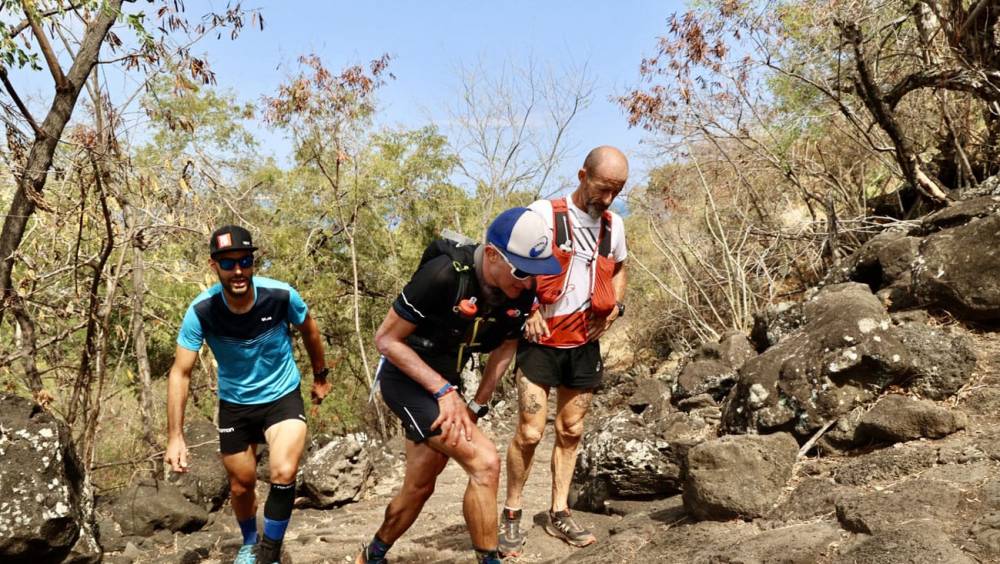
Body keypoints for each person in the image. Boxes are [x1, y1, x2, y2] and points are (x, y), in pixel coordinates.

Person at [356, 208, 561, 564]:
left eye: (537, 275)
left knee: (420, 485)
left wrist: (477, 404)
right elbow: (386, 340)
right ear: (494, 255)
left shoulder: (520, 292)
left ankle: (371, 555)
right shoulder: (443, 276)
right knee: (485, 462)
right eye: (523, 273)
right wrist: (444, 392)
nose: (529, 284)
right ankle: (489, 560)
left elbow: (507, 345)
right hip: (406, 378)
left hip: (445, 384)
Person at [165, 225, 331, 564]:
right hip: (235, 406)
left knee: (283, 471)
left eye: (244, 261)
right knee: (241, 486)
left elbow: (310, 330)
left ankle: (268, 553)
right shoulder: (201, 311)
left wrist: (320, 375)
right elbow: (180, 373)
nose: (238, 270)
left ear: (253, 262)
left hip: (281, 397)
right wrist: (175, 436)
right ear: (215, 267)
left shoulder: (281, 295)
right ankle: (249, 541)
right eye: (228, 264)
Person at [499, 146, 629, 555]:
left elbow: (621, 268)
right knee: (531, 431)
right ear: (582, 175)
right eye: (602, 188)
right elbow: (507, 264)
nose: (606, 199)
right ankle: (512, 513)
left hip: (584, 344)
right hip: (541, 343)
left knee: (571, 430)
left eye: (616, 191)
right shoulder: (542, 215)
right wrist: (526, 310)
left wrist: (616, 309)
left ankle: (558, 512)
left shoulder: (614, 226)